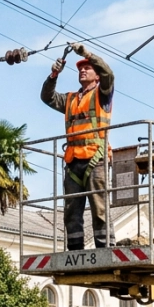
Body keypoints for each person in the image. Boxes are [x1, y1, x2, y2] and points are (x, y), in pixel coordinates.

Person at [40, 42, 114, 250]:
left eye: (87, 68)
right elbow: (47, 97)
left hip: (95, 159)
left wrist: (88, 54)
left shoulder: (103, 94)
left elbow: (109, 74)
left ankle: (106, 248)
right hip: (73, 162)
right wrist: (53, 75)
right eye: (80, 68)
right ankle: (75, 250)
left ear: (96, 74)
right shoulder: (70, 99)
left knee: (99, 208)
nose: (82, 70)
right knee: (72, 211)